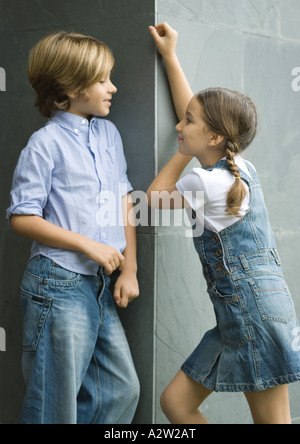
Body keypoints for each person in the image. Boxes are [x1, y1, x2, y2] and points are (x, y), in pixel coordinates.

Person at [148, 22, 300, 425]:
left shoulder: (203, 181)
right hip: (255, 313)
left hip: (252, 317)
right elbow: (200, 114)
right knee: (176, 404)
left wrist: (183, 150)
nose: (179, 126)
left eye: (187, 123)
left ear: (215, 137)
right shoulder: (239, 165)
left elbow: (153, 199)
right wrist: (170, 56)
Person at [6, 31, 140, 424]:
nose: (112, 87)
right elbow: (22, 217)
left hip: (99, 285)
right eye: (103, 80)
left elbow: (123, 200)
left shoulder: (108, 134)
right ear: (69, 86)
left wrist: (129, 267)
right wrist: (87, 244)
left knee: (120, 390)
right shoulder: (44, 144)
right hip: (57, 284)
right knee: (54, 405)